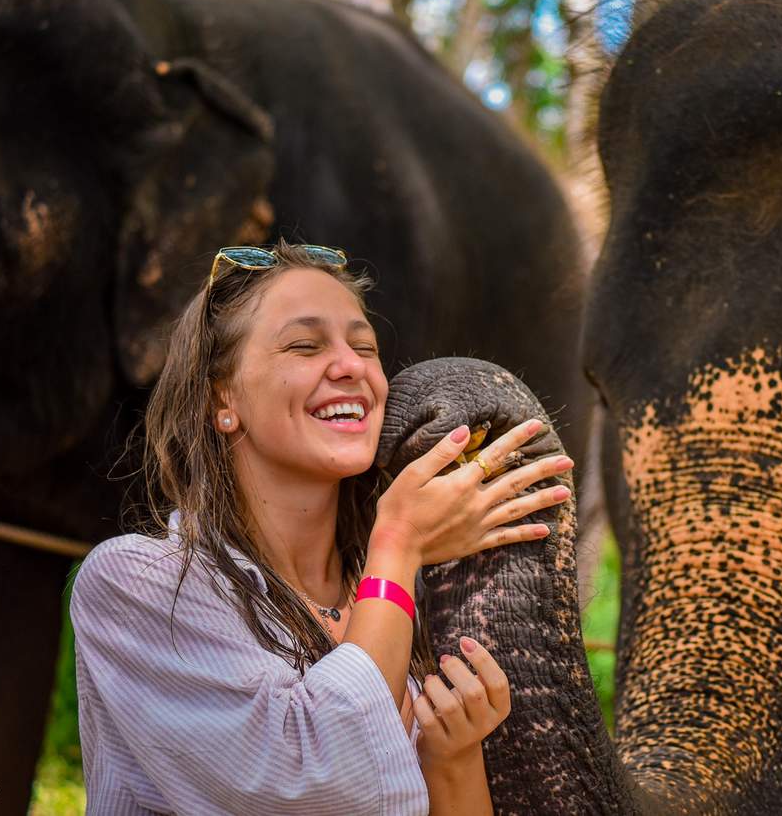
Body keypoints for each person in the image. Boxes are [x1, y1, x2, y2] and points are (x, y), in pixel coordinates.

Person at [70, 242, 573, 814]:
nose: (351, 366)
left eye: (365, 347)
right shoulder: (141, 583)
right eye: (304, 346)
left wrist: (450, 761)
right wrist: (397, 541)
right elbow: (317, 779)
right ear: (221, 397)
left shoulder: (410, 590)